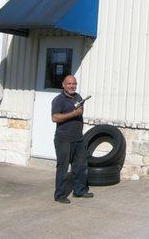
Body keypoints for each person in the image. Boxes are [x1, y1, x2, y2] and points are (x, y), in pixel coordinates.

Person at [51, 74, 93, 204]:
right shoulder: (58, 100)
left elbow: (80, 113)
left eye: (74, 83)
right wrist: (73, 114)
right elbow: (55, 118)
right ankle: (59, 195)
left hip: (78, 138)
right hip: (64, 139)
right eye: (69, 83)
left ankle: (79, 191)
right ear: (63, 85)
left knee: (80, 166)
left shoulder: (79, 97)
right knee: (63, 168)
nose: (72, 86)